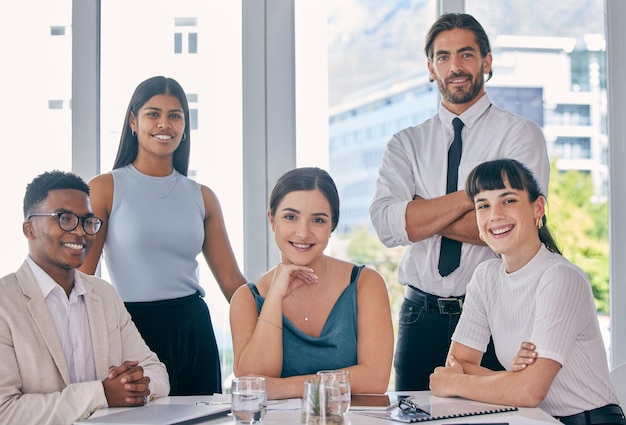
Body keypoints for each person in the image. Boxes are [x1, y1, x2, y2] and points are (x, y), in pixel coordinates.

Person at [369, 12, 550, 390]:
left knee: (497, 414)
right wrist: (472, 198)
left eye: (466, 55)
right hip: (420, 316)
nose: (456, 67)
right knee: (412, 413)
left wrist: (421, 212)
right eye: (443, 57)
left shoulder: (521, 135)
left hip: (497, 312)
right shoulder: (406, 144)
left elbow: (513, 230)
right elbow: (388, 225)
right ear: (431, 68)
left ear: (487, 61)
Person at [79, 76, 247, 395]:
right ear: (133, 121)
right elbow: (81, 278)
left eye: (175, 115)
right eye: (153, 114)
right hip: (132, 330)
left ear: (185, 125)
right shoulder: (104, 189)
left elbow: (233, 284)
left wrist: (281, 320)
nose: (164, 124)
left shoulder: (202, 196)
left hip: (194, 329)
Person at [429, 158, 625, 425]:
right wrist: (514, 380)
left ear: (538, 208)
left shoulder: (560, 277)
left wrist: (455, 384)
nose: (494, 214)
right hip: (533, 419)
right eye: (483, 205)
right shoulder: (485, 277)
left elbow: (529, 391)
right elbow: (459, 363)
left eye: (508, 200)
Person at [0, 170, 169, 425]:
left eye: (88, 222)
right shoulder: (5, 302)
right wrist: (101, 394)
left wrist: (133, 384)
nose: (81, 232)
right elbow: (5, 410)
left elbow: (156, 373)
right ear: (29, 228)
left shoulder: (104, 294)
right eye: (65, 218)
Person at [229, 167, 393, 400]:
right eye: (290, 217)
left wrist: (287, 388)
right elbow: (256, 383)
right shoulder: (247, 298)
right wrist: (274, 298)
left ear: (332, 226)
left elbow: (375, 379)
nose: (303, 232)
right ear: (271, 219)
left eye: (318, 220)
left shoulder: (365, 284)